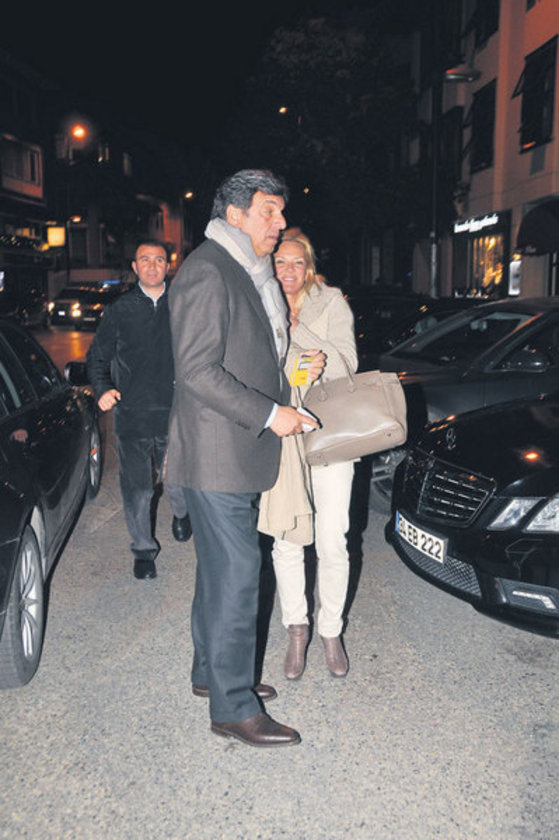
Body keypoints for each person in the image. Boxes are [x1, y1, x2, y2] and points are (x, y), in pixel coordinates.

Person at [166, 170, 323, 748]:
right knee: (237, 576)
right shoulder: (209, 271)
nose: (280, 222)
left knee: (219, 572)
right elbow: (197, 371)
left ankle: (211, 673)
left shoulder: (244, 270)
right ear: (234, 214)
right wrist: (270, 413)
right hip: (216, 454)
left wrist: (287, 384)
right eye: (268, 211)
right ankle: (233, 708)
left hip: (234, 451)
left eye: (281, 211)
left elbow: (252, 354)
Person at [271, 228, 358, 680]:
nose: (288, 270)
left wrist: (296, 329)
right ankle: (296, 629)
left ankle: (330, 630)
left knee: (332, 539)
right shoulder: (260, 303)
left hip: (330, 433)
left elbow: (347, 364)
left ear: (309, 267)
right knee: (286, 537)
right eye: (280, 261)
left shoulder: (331, 302)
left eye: (297, 262)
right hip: (284, 436)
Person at [86, 240, 192, 581]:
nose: (152, 266)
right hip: (132, 415)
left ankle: (182, 513)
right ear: (134, 267)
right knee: (139, 489)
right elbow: (97, 356)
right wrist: (103, 389)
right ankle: (144, 551)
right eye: (145, 260)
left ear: (168, 266)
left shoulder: (184, 304)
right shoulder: (119, 310)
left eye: (158, 260)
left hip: (176, 412)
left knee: (178, 482)